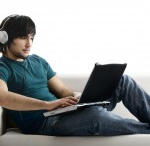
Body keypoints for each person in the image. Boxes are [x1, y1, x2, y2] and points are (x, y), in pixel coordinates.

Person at [0, 14, 150, 136]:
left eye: (31, 37)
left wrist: (77, 97)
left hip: (65, 111)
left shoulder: (38, 61)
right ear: (4, 38)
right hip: (45, 123)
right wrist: (47, 105)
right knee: (95, 116)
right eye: (23, 38)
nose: (29, 44)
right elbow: (3, 97)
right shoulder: (3, 67)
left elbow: (63, 91)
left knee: (123, 80)